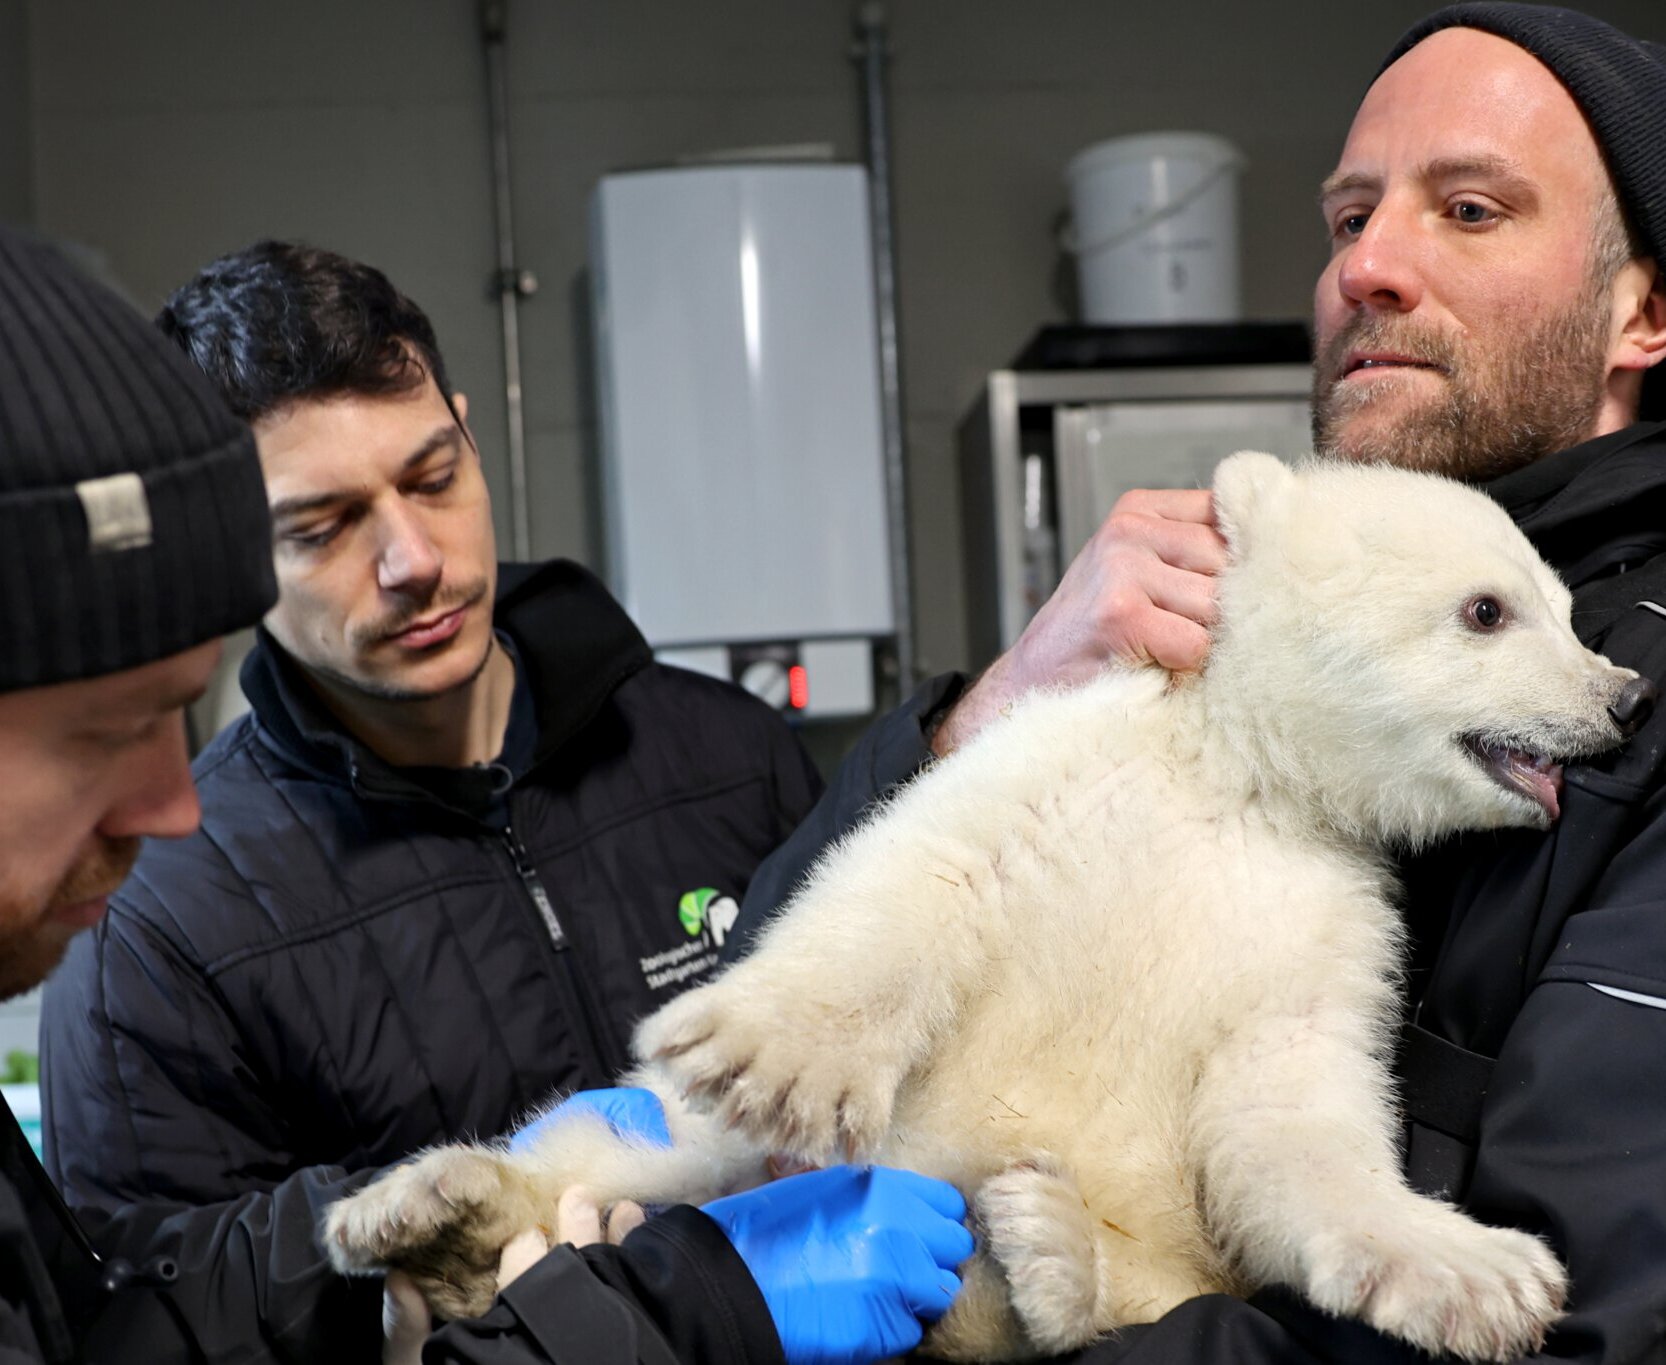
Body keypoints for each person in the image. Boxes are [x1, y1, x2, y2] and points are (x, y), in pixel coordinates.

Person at [735, 4, 1666, 1363]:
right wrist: (990, 711)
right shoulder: (1239, 629)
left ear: (1640, 312)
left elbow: (1566, 1318)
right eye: (1348, 220)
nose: (1372, 267)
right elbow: (777, 1054)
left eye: (1467, 209)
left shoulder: (1620, 709)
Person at [0, 227, 973, 1364]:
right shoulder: (164, 920)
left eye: (433, 477)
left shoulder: (725, 753)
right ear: (231, 551)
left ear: (467, 430)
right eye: (320, 527)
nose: (411, 557)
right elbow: (154, 1331)